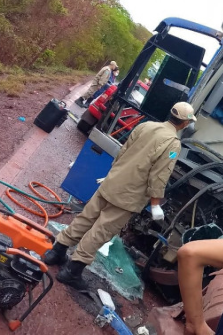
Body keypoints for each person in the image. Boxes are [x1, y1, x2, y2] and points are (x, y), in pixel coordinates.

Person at [44, 102, 197, 290]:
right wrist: (155, 204)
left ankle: (56, 252)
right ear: (185, 123)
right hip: (128, 196)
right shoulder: (173, 143)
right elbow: (160, 175)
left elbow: (122, 151)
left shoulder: (146, 125)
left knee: (86, 218)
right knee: (101, 230)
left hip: (111, 182)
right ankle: (71, 272)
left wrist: (114, 173)